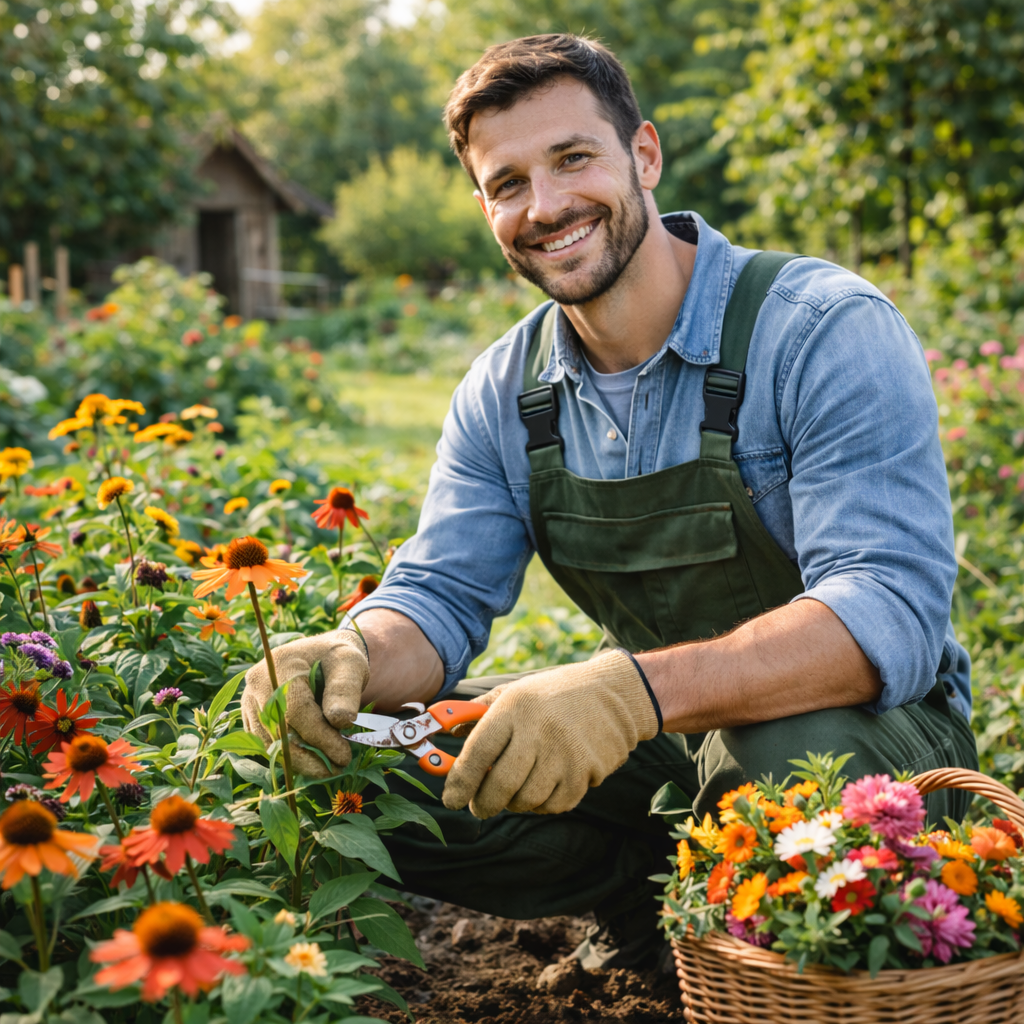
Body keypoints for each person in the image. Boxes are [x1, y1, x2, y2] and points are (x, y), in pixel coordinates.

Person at [240, 34, 978, 967]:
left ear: (645, 155)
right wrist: (347, 656)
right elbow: (441, 595)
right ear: (483, 207)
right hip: (660, 734)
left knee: (799, 752)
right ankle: (659, 914)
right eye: (507, 184)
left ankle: (791, 958)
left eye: (573, 158)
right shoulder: (506, 389)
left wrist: (631, 691)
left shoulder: (819, 329)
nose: (544, 208)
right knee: (374, 776)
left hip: (868, 737)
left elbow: (892, 611)